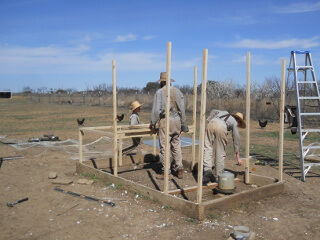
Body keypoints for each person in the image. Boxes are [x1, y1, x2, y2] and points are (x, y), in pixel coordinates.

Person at [150, 72, 188, 179]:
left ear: (162, 81)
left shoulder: (160, 92)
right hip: (177, 120)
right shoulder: (178, 91)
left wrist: (153, 123)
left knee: (165, 146)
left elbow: (156, 110)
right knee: (176, 145)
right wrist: (183, 122)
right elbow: (182, 109)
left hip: (166, 120)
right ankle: (179, 169)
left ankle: (165, 172)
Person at [202, 110, 246, 185]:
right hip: (221, 126)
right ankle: (219, 176)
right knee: (220, 151)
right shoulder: (235, 122)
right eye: (239, 123)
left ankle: (207, 170)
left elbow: (213, 111)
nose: (238, 125)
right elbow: (236, 138)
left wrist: (208, 120)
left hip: (211, 123)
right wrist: (238, 156)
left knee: (207, 147)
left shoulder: (224, 112)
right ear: (238, 120)